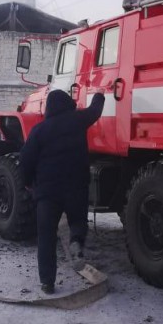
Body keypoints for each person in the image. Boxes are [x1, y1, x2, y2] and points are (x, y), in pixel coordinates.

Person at [19, 89, 105, 294]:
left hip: (48, 193)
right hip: (76, 187)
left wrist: (27, 182)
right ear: (68, 104)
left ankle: (47, 282)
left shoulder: (40, 130)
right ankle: (76, 242)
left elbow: (26, 160)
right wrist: (100, 94)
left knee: (46, 236)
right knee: (77, 222)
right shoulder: (78, 120)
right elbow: (95, 110)